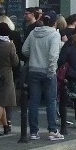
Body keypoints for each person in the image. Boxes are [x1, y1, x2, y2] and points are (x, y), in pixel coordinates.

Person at [22, 12, 63, 140]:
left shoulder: (33, 32)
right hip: (48, 71)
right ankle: (52, 130)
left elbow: (24, 50)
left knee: (33, 101)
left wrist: (34, 55)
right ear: (55, 22)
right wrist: (51, 70)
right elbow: (53, 55)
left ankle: (34, 132)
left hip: (33, 70)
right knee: (51, 101)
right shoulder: (55, 34)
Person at [0, 22, 18, 135]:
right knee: (1, 102)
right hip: (6, 74)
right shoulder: (10, 45)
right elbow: (15, 62)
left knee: (0, 100)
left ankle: (5, 126)